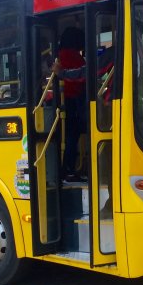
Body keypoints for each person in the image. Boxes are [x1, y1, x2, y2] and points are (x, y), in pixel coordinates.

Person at [56, 27, 86, 182]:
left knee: (65, 136)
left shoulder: (57, 57)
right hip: (72, 102)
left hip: (58, 103)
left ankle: (65, 168)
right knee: (72, 136)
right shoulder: (76, 58)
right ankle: (70, 168)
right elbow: (82, 77)